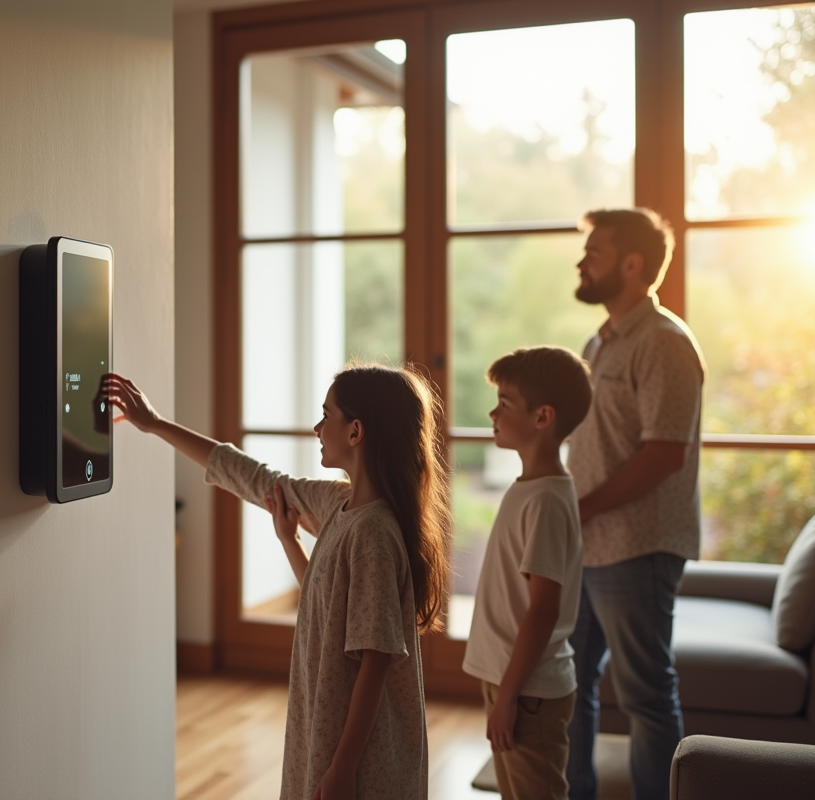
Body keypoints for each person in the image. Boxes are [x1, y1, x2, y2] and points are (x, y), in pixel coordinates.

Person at [103, 366, 452, 800]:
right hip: (327, 728)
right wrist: (154, 425)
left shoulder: (373, 534)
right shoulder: (339, 503)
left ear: (356, 431)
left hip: (362, 758)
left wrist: (344, 765)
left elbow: (374, 662)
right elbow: (257, 480)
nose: (317, 427)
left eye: (327, 415)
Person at [565, 209, 706, 800]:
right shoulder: (598, 342)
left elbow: (663, 455)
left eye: (594, 252)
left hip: (638, 547)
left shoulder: (665, 344)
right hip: (589, 542)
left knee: (646, 695)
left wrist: (587, 505)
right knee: (569, 684)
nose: (581, 261)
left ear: (632, 264)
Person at [462, 347, 592, 800]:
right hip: (512, 682)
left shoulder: (547, 501)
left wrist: (510, 697)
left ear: (543, 417)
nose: (493, 412)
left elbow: (543, 609)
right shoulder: (530, 489)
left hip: (528, 691)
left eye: (505, 403)